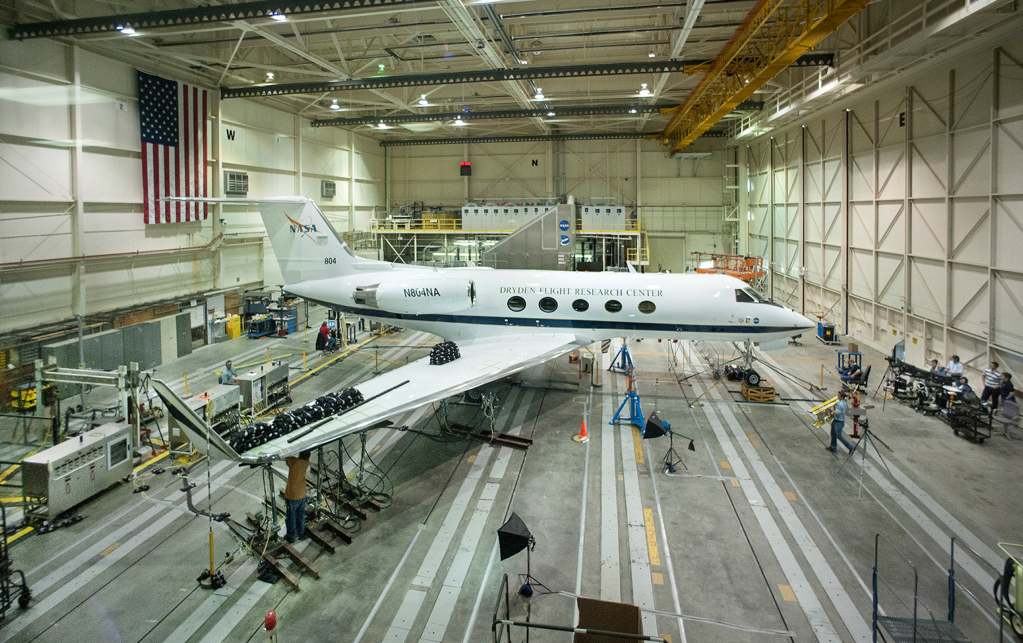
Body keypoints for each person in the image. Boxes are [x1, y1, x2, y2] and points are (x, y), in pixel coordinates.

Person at [284, 450, 311, 543]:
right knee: (300, 515)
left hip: (293, 495)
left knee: (291, 516)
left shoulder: (294, 462)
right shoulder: (306, 463)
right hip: (302, 494)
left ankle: (291, 537)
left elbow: (286, 457)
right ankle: (301, 534)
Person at [828, 391, 857, 455]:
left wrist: (832, 410)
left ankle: (851, 447)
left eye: (838, 395)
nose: (837, 396)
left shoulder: (840, 404)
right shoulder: (842, 402)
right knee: (833, 434)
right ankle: (833, 447)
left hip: (839, 422)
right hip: (836, 421)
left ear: (841, 397)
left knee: (838, 436)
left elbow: (838, 414)